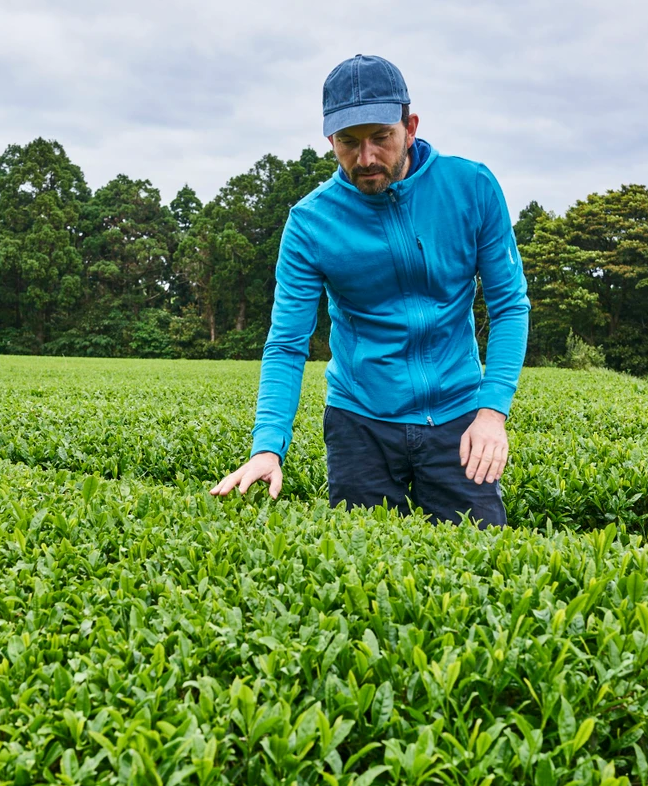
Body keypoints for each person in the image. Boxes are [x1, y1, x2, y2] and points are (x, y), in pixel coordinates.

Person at [210, 54, 530, 527]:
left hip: (459, 417)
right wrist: (267, 446)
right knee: (363, 573)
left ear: (410, 126)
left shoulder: (472, 188)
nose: (366, 159)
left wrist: (492, 412)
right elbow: (286, 343)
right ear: (330, 140)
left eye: (381, 138)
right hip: (359, 423)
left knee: (481, 565)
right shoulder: (310, 222)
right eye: (348, 142)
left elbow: (509, 306)